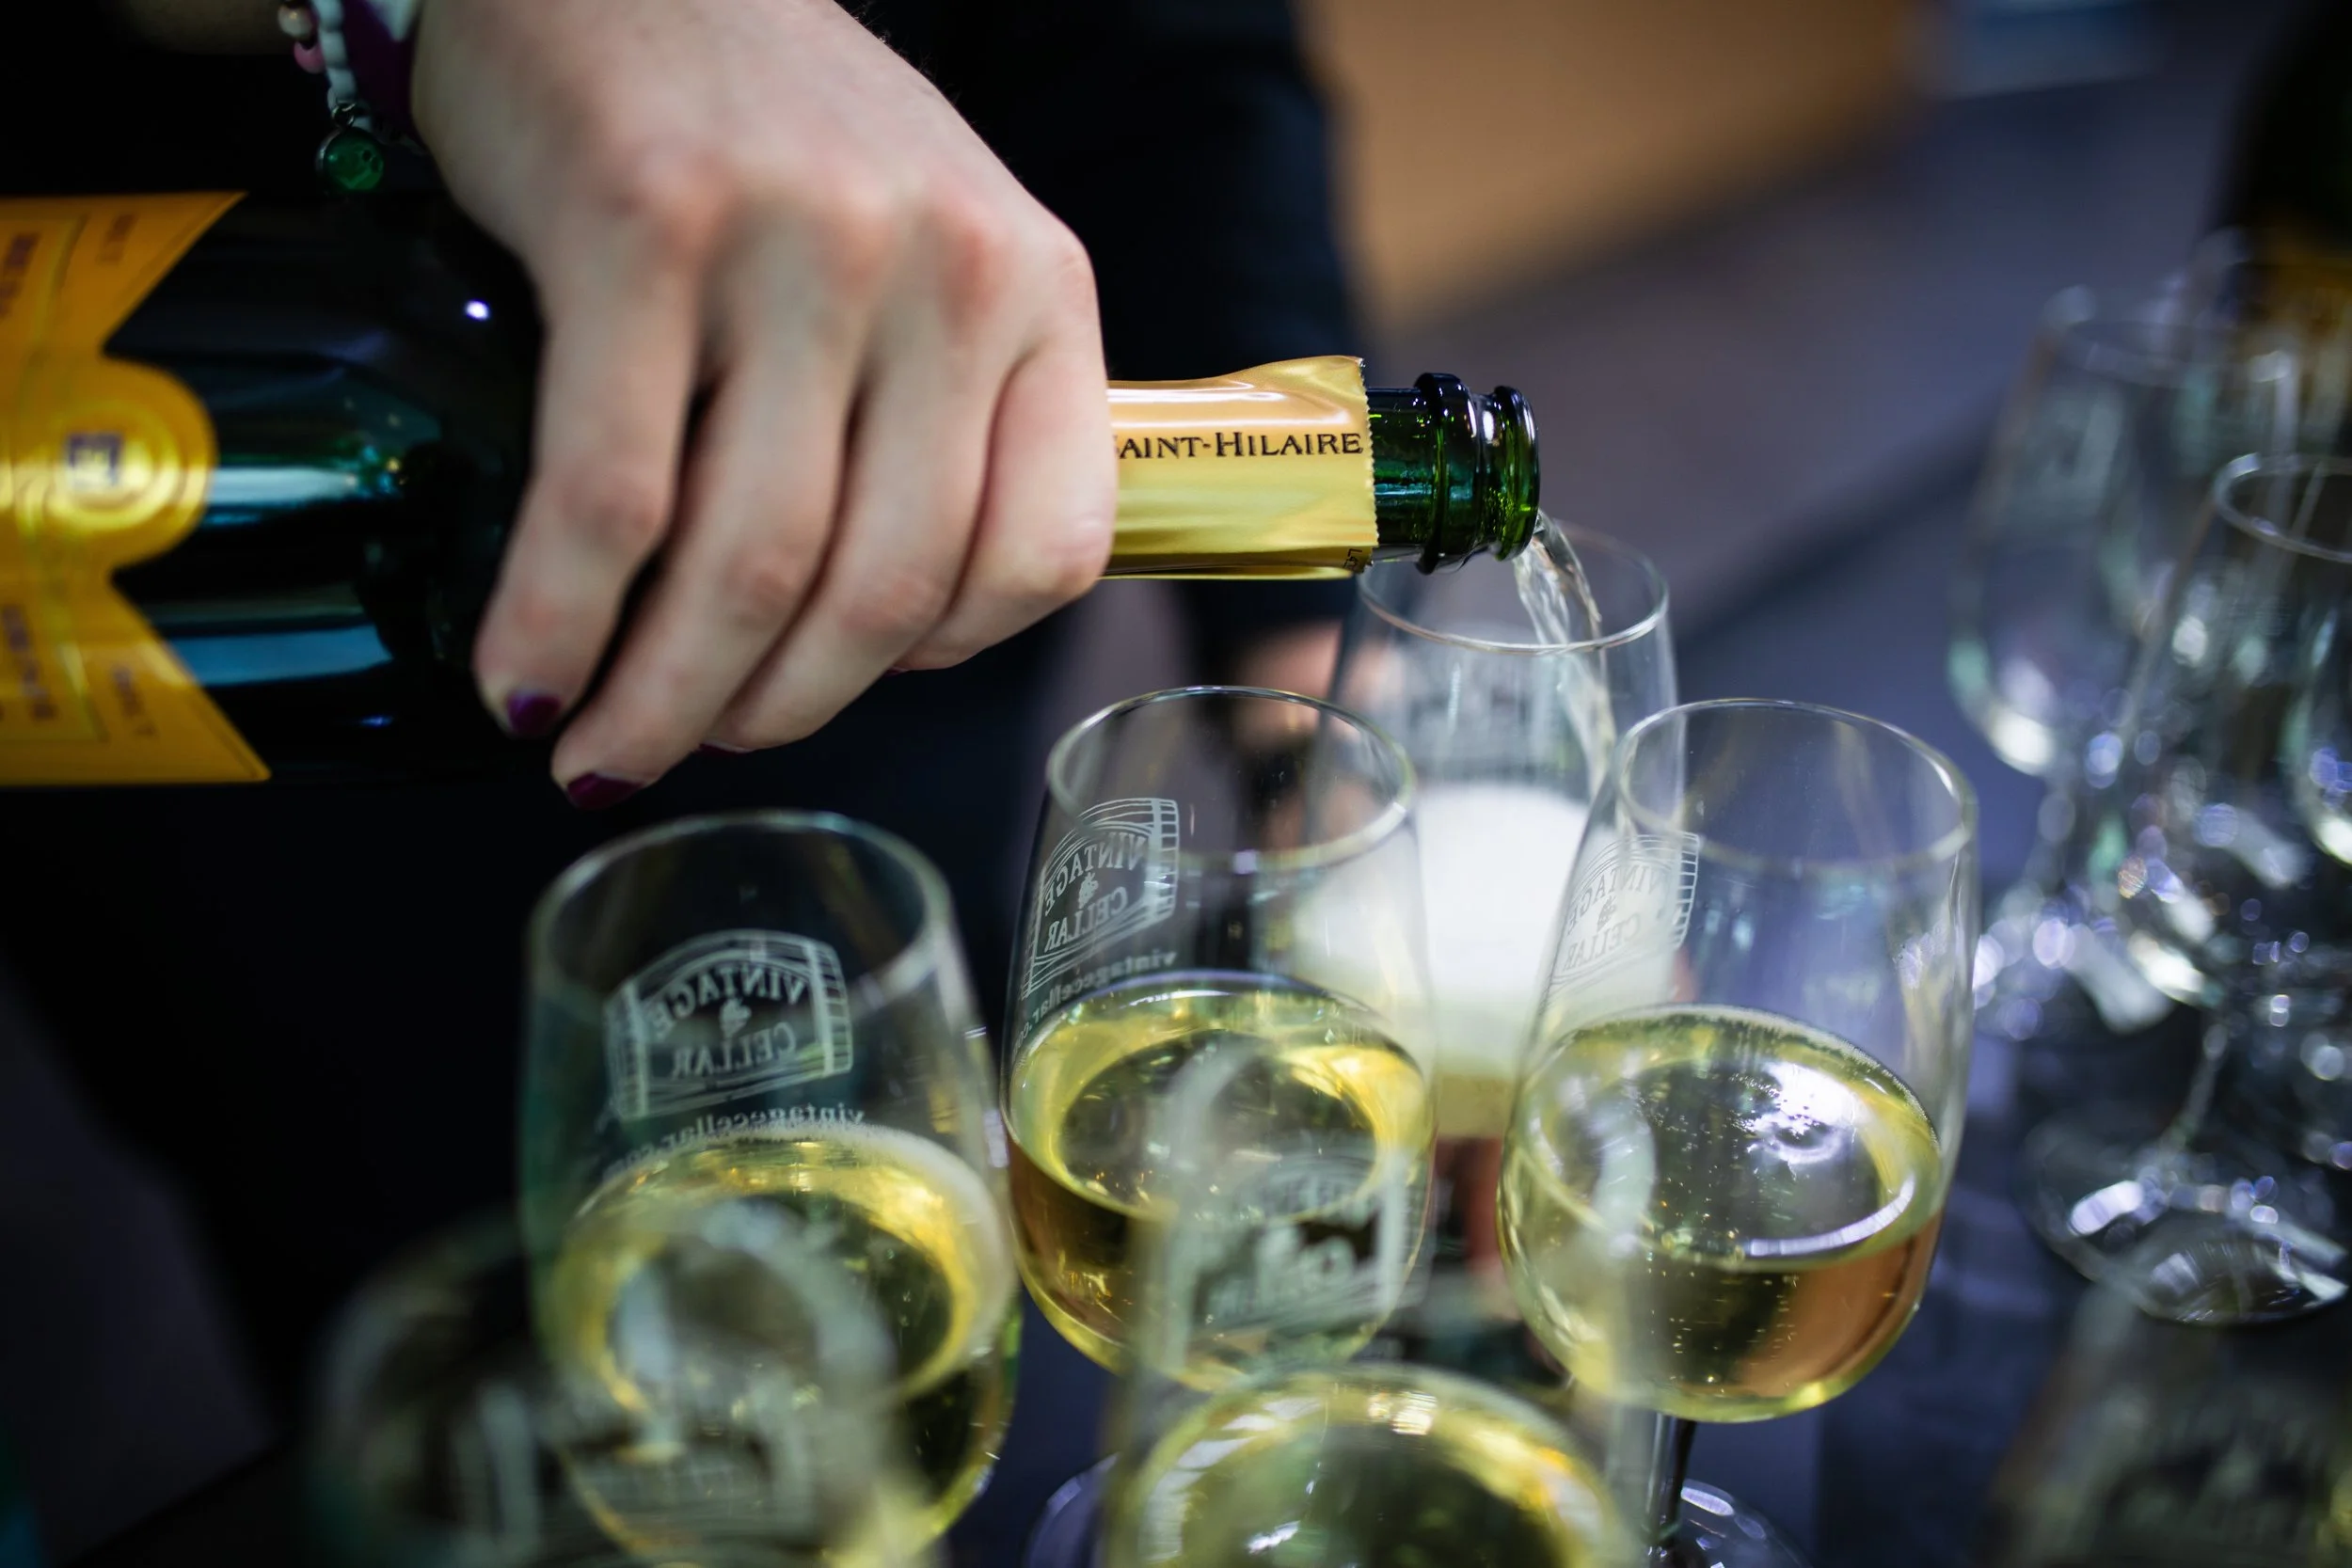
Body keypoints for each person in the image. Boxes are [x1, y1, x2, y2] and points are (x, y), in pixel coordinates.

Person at [0, 0, 1356, 1549]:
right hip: (271, 767)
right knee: (449, 1401)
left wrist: (1313, 672)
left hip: (878, 657)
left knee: (899, 1279)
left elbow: (1172, 58)